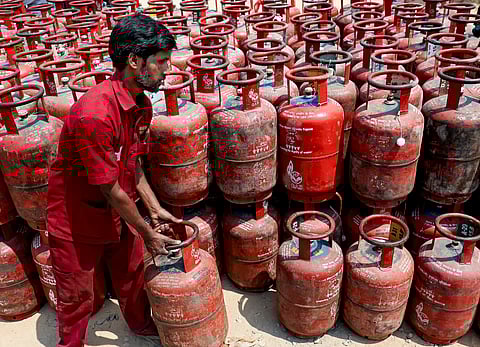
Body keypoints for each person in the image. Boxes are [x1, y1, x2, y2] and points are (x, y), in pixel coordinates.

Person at [47, 14, 181, 347]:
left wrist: (154, 208)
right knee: (77, 296)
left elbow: (132, 164)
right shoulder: (95, 113)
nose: (167, 70)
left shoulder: (140, 105)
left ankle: (139, 325)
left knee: (133, 274)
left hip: (118, 210)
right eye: (161, 62)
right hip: (77, 220)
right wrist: (147, 232)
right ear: (134, 61)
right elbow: (108, 187)